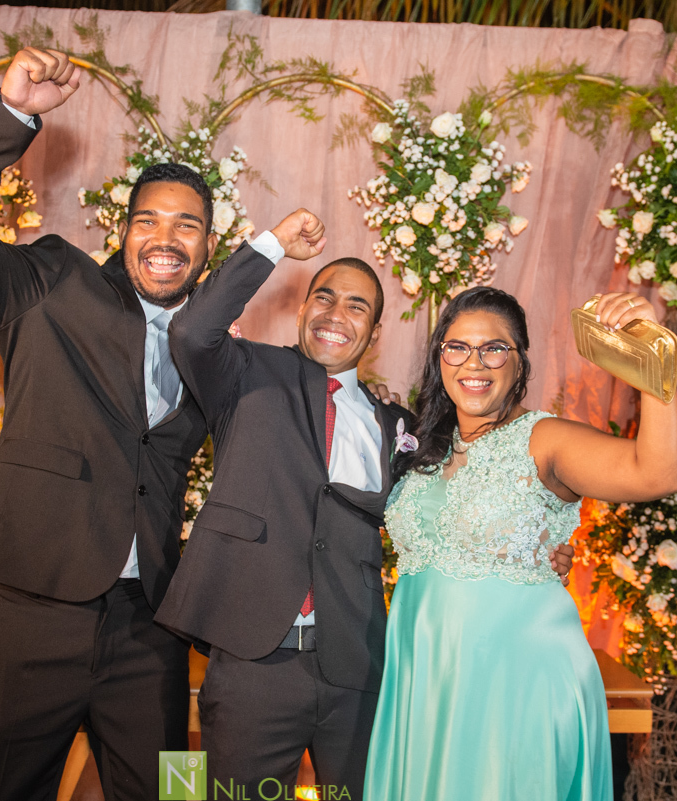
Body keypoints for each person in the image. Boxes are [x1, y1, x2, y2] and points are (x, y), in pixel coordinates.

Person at [0, 47, 327, 801]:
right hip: (30, 612)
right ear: (122, 229)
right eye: (148, 220)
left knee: (171, 791)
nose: (165, 238)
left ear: (209, 242)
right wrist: (13, 114)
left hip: (150, 630)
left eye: (187, 226)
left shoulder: (215, 350)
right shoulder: (51, 284)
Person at [156, 256, 578, 799]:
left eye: (357, 306)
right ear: (303, 309)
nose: (336, 313)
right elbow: (191, 329)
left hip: (357, 667)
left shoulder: (397, 427)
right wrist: (275, 242)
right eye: (325, 298)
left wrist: (535, 544)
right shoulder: (247, 373)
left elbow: (451, 499)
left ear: (375, 333)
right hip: (254, 666)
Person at [363, 287, 677, 800]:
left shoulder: (546, 440)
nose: (475, 363)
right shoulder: (424, 447)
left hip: (518, 685)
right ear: (439, 358)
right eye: (458, 348)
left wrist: (652, 355)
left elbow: (659, 473)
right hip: (427, 681)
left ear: (520, 363)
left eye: (495, 348)